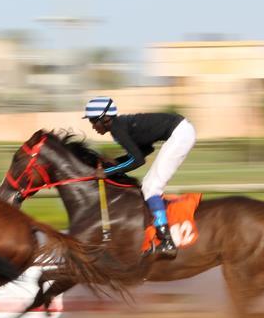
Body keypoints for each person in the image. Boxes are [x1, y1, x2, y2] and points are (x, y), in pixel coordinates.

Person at [84, 97, 197, 258]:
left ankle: (167, 242)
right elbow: (145, 151)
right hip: (181, 131)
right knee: (148, 185)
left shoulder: (118, 129)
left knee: (151, 187)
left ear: (105, 118)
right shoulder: (119, 126)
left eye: (93, 121)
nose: (93, 127)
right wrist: (117, 163)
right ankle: (162, 234)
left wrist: (108, 172)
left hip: (180, 134)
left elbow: (138, 160)